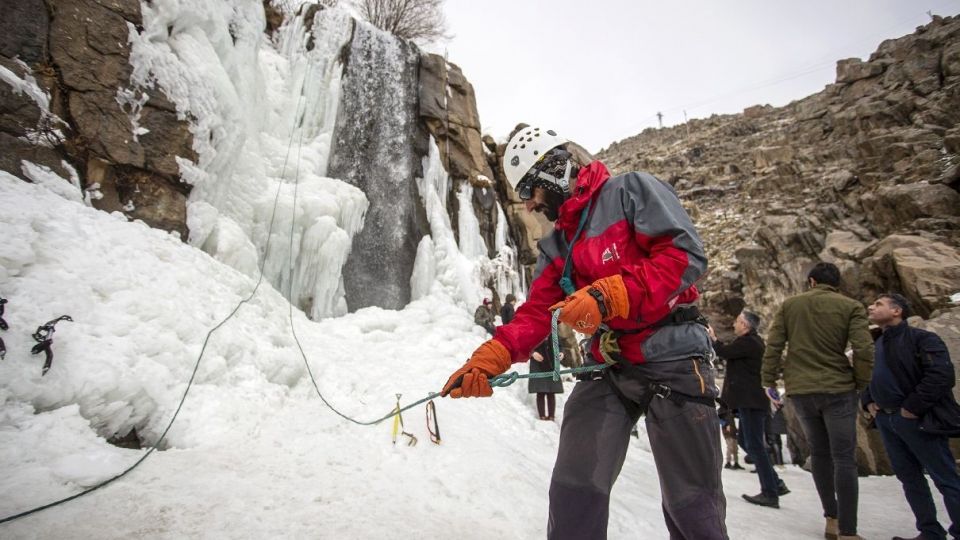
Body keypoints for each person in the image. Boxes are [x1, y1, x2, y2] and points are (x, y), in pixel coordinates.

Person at [441, 126, 726, 539]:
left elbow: (685, 255)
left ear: (553, 171)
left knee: (693, 508)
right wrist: (491, 357)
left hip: (674, 354)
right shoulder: (558, 245)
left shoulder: (630, 191)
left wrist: (611, 294)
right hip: (609, 364)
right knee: (573, 490)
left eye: (531, 191)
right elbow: (535, 313)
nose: (530, 204)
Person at [761, 262, 874, 540]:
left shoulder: (791, 306)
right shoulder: (851, 307)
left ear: (811, 281)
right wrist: (860, 381)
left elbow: (774, 345)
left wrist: (769, 380)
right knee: (844, 458)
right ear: (836, 283)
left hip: (801, 390)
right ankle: (848, 530)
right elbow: (863, 348)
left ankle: (831, 519)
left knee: (820, 454)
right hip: (838, 388)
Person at [862, 293, 960, 540]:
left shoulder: (922, 339)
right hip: (887, 420)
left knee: (944, 477)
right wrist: (868, 401)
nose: (871, 307)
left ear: (897, 311)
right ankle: (929, 531)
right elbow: (870, 375)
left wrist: (912, 408)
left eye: (878, 304)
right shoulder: (877, 342)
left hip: (916, 419)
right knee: (909, 478)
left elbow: (941, 375)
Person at [709, 310, 788, 508]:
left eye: (737, 321)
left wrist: (713, 339)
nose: (734, 324)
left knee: (755, 445)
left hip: (752, 401)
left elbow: (725, 352)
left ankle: (770, 492)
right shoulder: (751, 342)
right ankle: (775, 483)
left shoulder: (749, 342)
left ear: (745, 325)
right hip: (749, 401)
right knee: (746, 441)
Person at [528, 339, 564, 420]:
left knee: (551, 391)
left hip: (551, 363)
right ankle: (542, 417)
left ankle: (551, 416)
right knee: (540, 391)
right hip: (537, 364)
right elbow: (526, 345)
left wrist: (561, 352)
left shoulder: (553, 331)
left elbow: (559, 345)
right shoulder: (532, 331)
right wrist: (533, 353)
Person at [718, 405, 743, 470]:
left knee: (735, 448)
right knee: (730, 447)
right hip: (727, 432)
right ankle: (728, 462)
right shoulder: (721, 409)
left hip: (733, 431)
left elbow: (737, 415)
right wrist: (725, 424)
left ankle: (736, 463)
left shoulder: (730, 409)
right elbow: (718, 419)